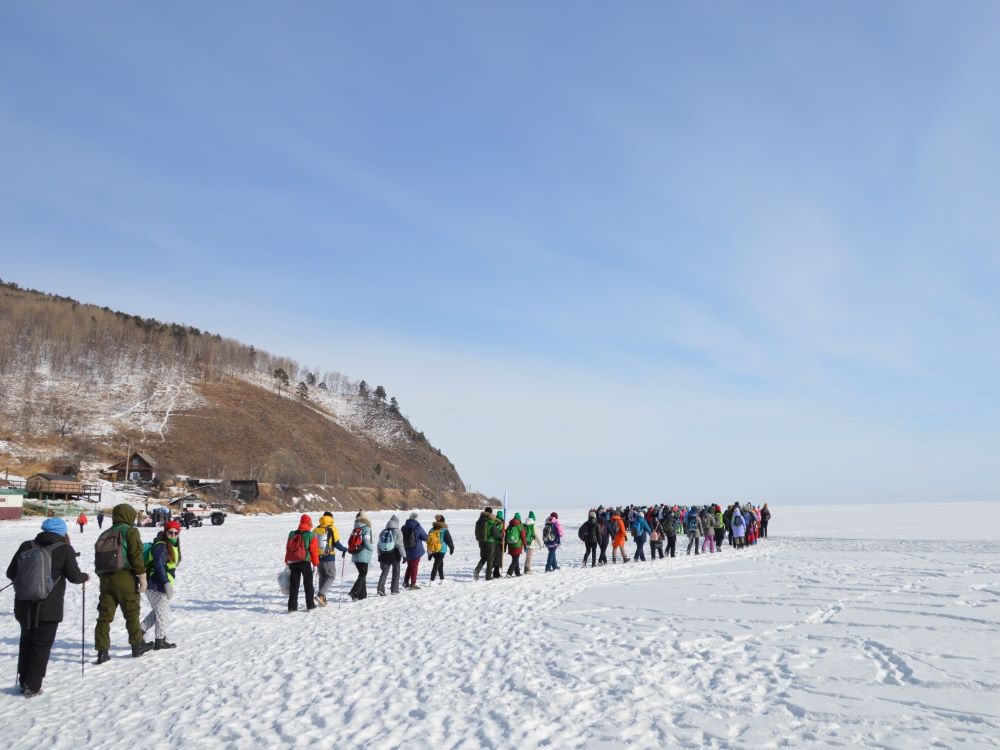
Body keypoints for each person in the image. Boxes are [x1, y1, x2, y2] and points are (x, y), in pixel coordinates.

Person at [6, 517, 89, 697]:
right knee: (41, 645)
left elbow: (10, 573)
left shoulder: (26, 545)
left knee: (26, 642)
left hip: (24, 604)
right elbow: (74, 577)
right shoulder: (65, 549)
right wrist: (85, 577)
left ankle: (24, 681)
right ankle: (33, 686)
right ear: (62, 532)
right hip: (49, 607)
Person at [94, 503, 151, 663]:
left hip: (105, 580)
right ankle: (137, 645)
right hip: (125, 577)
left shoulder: (104, 534)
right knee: (132, 612)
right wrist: (142, 576)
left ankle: (102, 651)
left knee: (104, 617)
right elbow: (136, 555)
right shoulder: (130, 531)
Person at [141, 520, 182, 648]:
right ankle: (160, 640)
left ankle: (139, 631)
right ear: (165, 532)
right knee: (162, 613)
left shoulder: (172, 545)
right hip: (155, 584)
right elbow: (159, 566)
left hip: (159, 583)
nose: (173, 535)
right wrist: (166, 583)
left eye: (176, 533)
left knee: (158, 611)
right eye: (170, 532)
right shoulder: (161, 545)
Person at [285, 514, 319, 612]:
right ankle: (310, 606)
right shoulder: (310, 535)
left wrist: (287, 561)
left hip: (293, 562)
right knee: (308, 584)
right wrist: (315, 564)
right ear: (309, 523)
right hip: (304, 562)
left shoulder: (292, 533)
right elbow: (313, 551)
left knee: (294, 586)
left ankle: (292, 607)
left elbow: (288, 548)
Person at [314, 512, 348, 606]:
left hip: (318, 557)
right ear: (331, 518)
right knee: (331, 576)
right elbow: (336, 543)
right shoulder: (332, 528)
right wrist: (344, 549)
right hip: (329, 557)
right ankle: (321, 595)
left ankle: (322, 599)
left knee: (322, 577)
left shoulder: (316, 529)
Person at [377, 515, 406, 595]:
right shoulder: (398, 531)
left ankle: (380, 589)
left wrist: (379, 554)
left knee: (384, 572)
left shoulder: (383, 531)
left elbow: (378, 544)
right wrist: (404, 556)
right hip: (395, 554)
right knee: (396, 572)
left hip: (384, 554)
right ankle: (394, 590)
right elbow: (400, 545)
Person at [349, 513, 373, 600]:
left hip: (355, 553)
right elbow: (366, 541)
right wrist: (371, 548)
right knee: (363, 573)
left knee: (362, 574)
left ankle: (362, 594)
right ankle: (354, 592)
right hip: (363, 555)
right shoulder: (366, 528)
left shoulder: (355, 528)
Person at [401, 512, 428, 590]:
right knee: (414, 567)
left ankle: (406, 582)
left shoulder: (403, 527)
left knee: (409, 566)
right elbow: (425, 537)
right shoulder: (417, 527)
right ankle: (413, 583)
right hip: (416, 550)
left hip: (406, 550)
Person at [427, 515, 454, 582]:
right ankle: (432, 580)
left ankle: (442, 579)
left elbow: (429, 542)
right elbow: (449, 540)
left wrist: (429, 553)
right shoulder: (444, 530)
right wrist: (452, 548)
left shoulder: (431, 529)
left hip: (433, 550)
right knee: (436, 565)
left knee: (440, 564)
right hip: (441, 550)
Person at [473, 507, 496, 581]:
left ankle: (477, 569)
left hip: (481, 542)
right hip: (490, 542)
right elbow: (494, 533)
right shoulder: (491, 521)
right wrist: (501, 535)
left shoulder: (479, 520)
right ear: (490, 513)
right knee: (490, 559)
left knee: (484, 557)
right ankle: (488, 577)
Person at [505, 513, 526, 577]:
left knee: (515, 559)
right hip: (517, 546)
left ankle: (517, 573)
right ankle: (509, 573)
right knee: (515, 560)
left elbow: (505, 536)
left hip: (510, 545)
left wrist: (505, 546)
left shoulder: (509, 526)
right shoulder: (520, 526)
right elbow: (523, 537)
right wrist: (525, 545)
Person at [491, 511, 506, 580]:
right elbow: (499, 533)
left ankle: (492, 571)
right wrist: (502, 535)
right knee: (497, 558)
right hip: (498, 543)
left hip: (492, 542)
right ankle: (496, 573)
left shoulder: (493, 521)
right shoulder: (501, 523)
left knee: (494, 558)